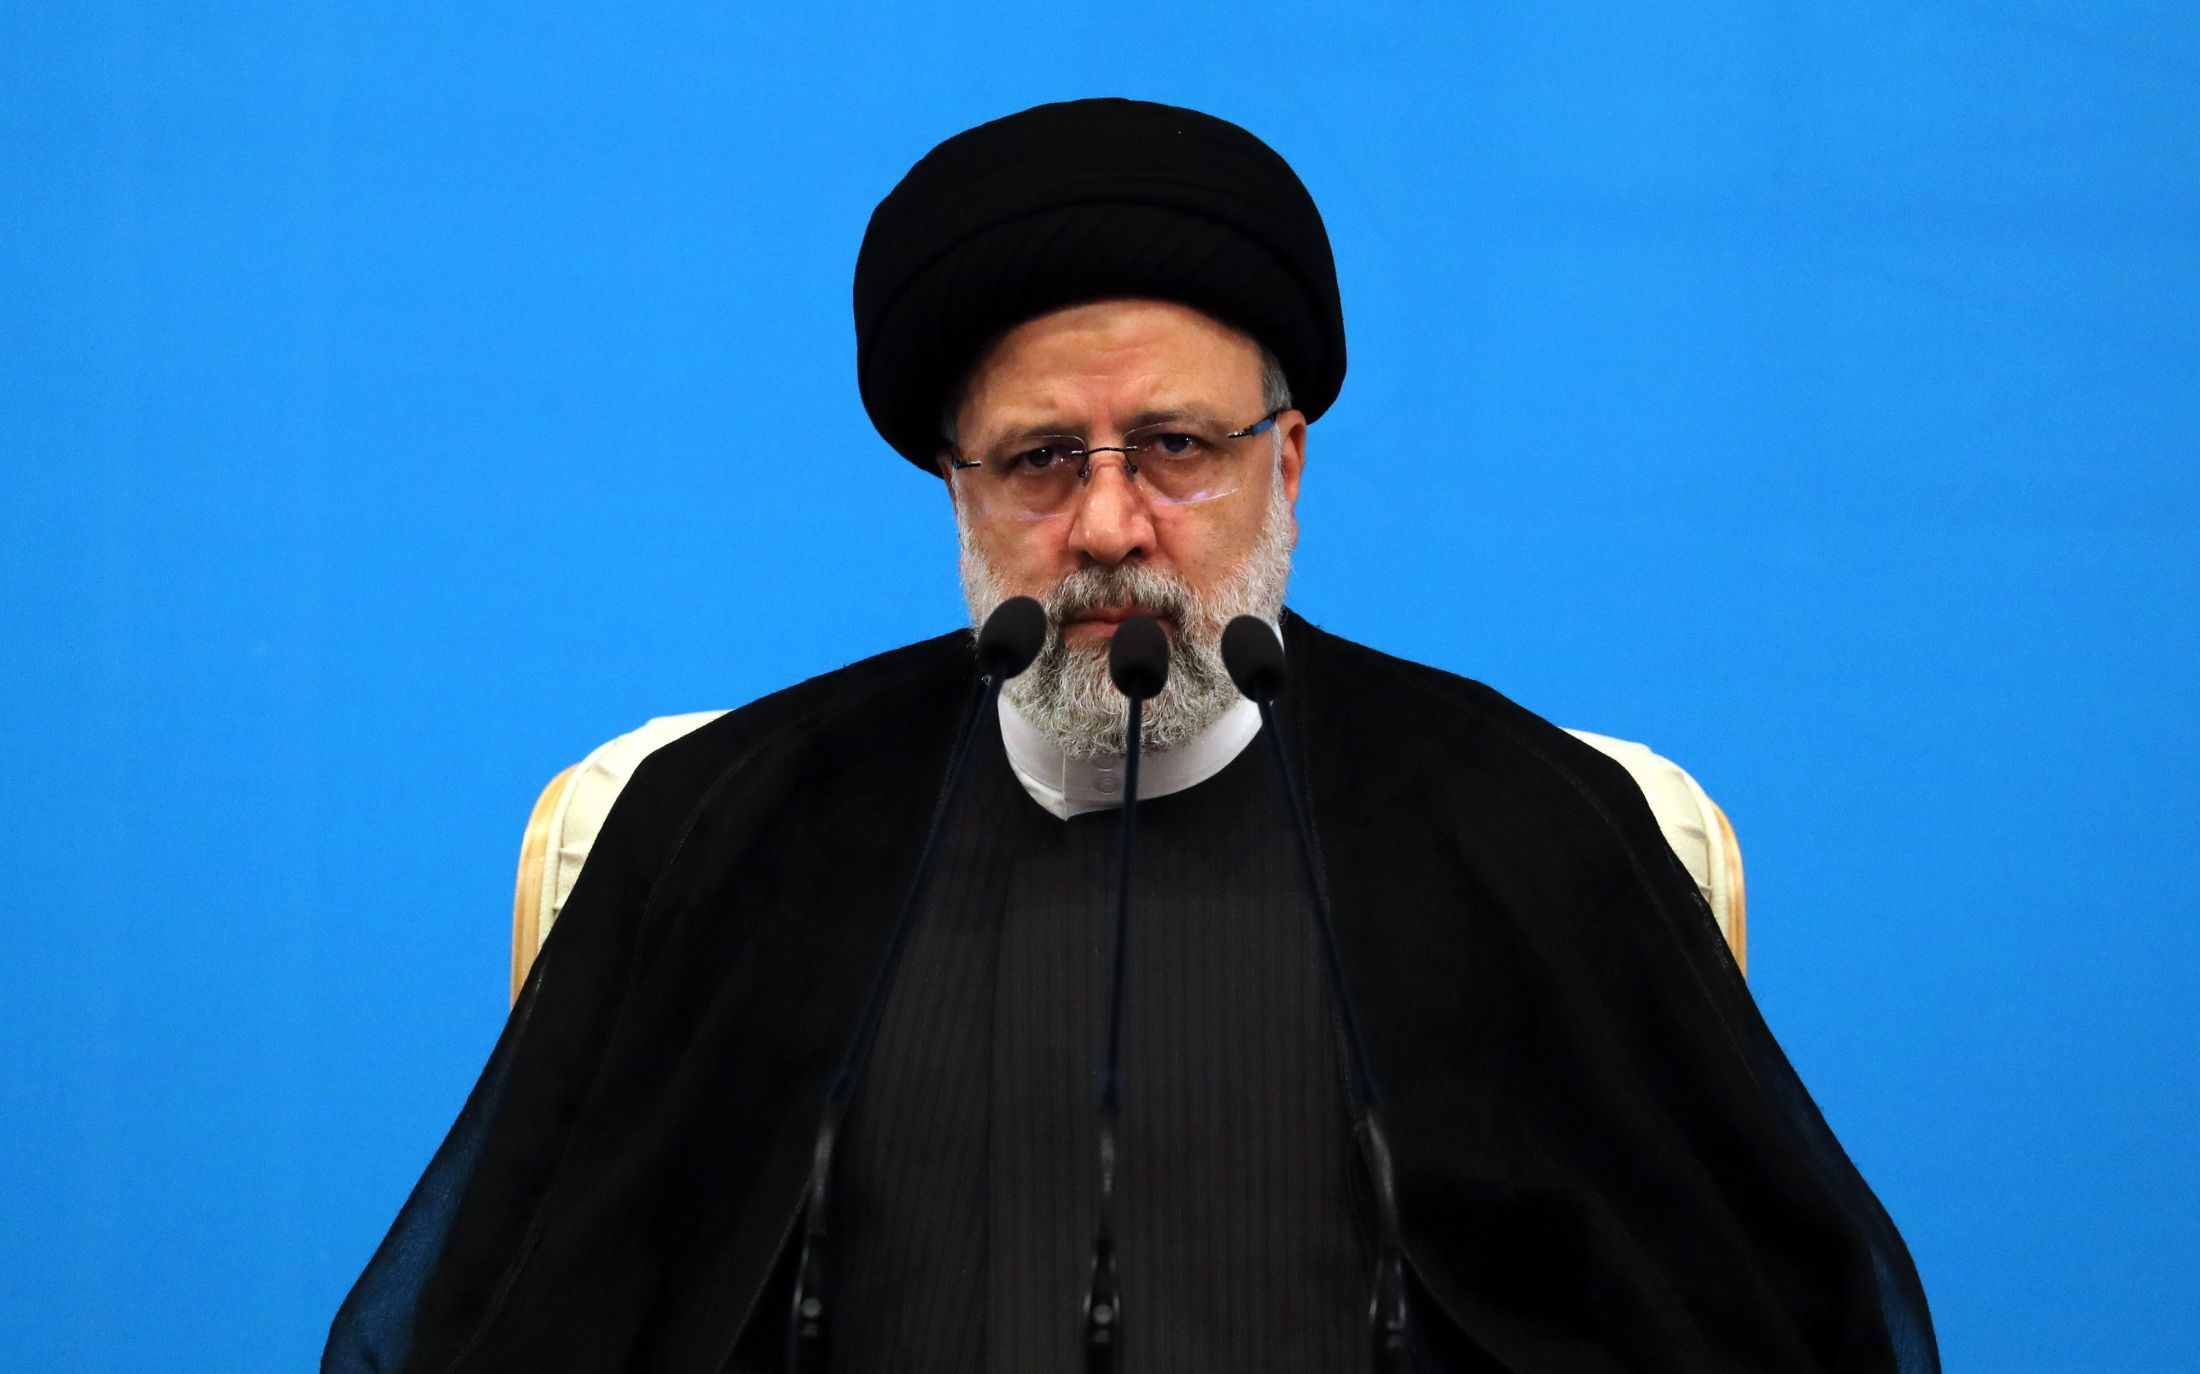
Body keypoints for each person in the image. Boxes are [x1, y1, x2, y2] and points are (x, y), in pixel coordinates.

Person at [326, 99, 1939, 1374]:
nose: (1108, 525)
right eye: (1041, 459)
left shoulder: (1531, 829)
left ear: (1284, 467)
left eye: (1174, 446)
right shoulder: (728, 827)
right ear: (958, 490)